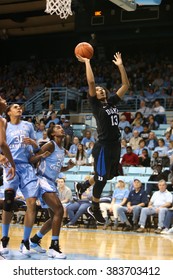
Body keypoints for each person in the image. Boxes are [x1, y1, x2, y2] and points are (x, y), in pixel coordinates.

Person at [76, 52, 130, 224]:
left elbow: (126, 84)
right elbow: (91, 82)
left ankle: (84, 186)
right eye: (96, 90)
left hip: (115, 145)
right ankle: (95, 206)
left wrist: (120, 65)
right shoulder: (95, 104)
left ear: (105, 93)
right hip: (104, 146)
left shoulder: (112, 102)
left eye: (101, 89)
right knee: (101, 179)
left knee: (105, 176)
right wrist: (87, 62)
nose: (98, 90)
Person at [29, 124, 75, 258]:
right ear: (53, 134)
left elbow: (58, 169)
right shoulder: (50, 145)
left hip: (51, 182)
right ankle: (54, 247)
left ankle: (35, 240)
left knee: (54, 216)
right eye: (58, 127)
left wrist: (68, 167)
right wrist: (42, 156)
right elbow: (32, 159)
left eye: (62, 127)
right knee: (60, 210)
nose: (61, 129)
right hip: (42, 180)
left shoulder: (61, 149)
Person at [0, 103, 40, 256]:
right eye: (15, 107)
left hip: (27, 166)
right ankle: (4, 238)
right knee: (9, 200)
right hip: (10, 166)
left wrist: (33, 143)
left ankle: (25, 242)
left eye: (20, 107)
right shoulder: (4, 125)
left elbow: (36, 148)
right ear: (8, 112)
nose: (19, 109)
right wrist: (2, 158)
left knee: (31, 203)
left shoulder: (28, 125)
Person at [0, 97, 15, 180]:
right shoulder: (2, 120)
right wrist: (13, 164)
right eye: (1, 99)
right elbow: (2, 143)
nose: (5, 100)